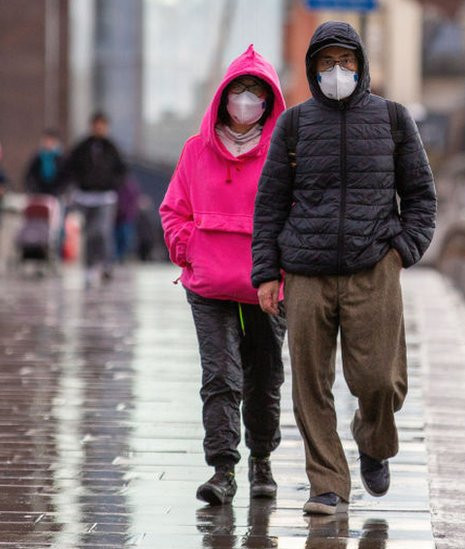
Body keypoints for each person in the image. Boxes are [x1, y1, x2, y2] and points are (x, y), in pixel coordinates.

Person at [251, 21, 437, 516]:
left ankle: (373, 442)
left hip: (374, 266)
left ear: (362, 65)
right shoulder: (293, 125)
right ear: (314, 68)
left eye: (347, 61)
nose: (338, 71)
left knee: (380, 380)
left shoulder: (394, 120)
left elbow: (420, 197)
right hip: (306, 272)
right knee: (310, 382)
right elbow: (270, 204)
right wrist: (267, 272)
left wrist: (401, 251)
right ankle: (328, 484)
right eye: (328, 62)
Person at [159, 45, 288, 506]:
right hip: (210, 287)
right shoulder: (196, 151)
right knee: (220, 377)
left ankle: (261, 461)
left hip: (267, 287)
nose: (247, 99)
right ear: (223, 97)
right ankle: (223, 469)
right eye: (239, 90)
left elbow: (295, 214)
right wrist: (190, 249)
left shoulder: (282, 155)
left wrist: (281, 267)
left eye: (256, 92)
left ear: (270, 101)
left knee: (265, 377)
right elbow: (173, 209)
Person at [64, 112, 126, 286]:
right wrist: (76, 185)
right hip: (85, 197)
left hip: (105, 197)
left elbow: (122, 171)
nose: (99, 128)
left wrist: (113, 185)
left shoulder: (112, 148)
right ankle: (90, 266)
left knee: (102, 231)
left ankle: (106, 264)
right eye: (96, 124)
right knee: (90, 233)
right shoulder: (82, 147)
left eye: (102, 124)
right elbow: (69, 168)